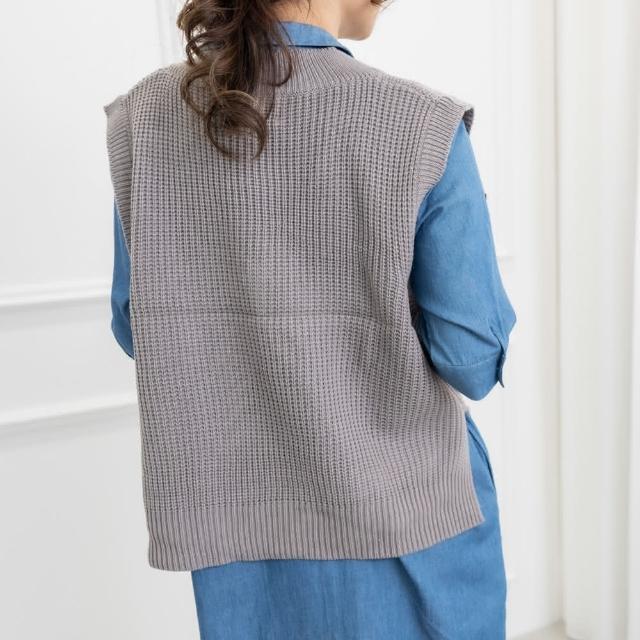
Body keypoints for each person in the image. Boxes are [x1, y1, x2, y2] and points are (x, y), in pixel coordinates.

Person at [105, 1, 517, 638]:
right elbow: (472, 359)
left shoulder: (145, 117)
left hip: (239, 526)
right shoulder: (419, 122)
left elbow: (140, 327)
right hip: (408, 517)